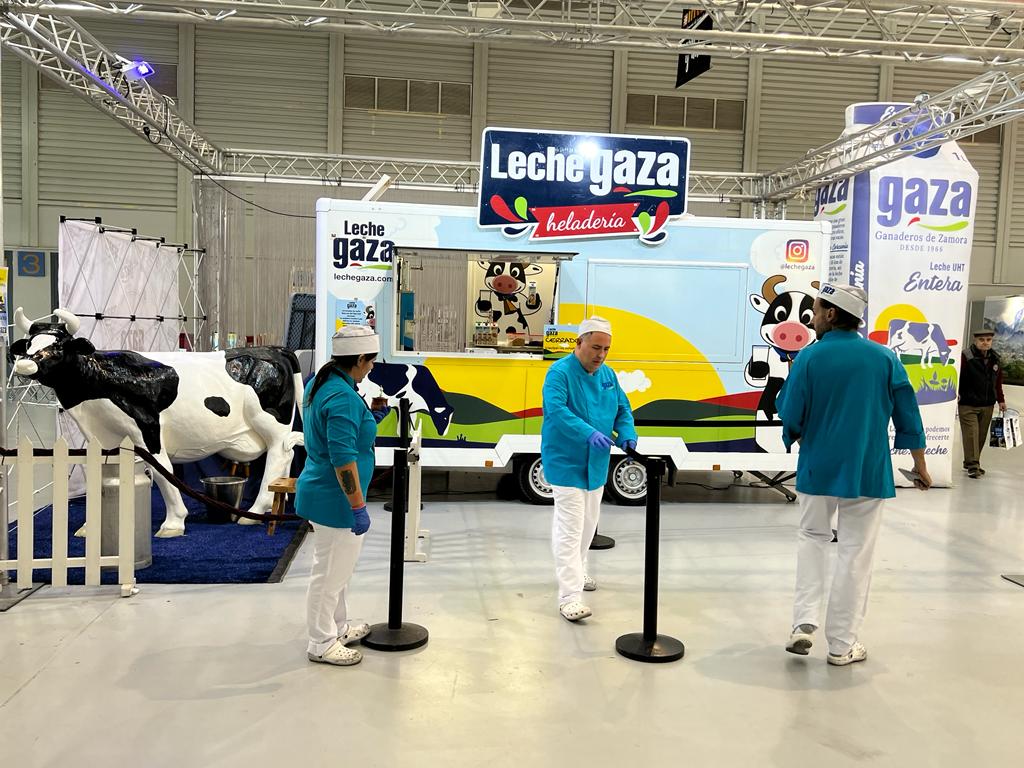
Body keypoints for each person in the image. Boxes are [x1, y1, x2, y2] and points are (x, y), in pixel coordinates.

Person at [776, 283, 931, 666]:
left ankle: (803, 622)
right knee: (855, 553)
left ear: (831, 314)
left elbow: (790, 411)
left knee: (812, 539)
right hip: (867, 469)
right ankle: (842, 645)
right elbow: (908, 415)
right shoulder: (885, 358)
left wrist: (797, 436)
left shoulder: (809, 358)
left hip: (818, 468)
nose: (812, 318)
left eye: (815, 310)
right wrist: (920, 465)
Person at [296, 326, 387, 667]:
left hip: (324, 493)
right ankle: (321, 642)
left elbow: (337, 433)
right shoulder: (342, 397)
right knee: (329, 576)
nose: (371, 368)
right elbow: (342, 459)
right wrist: (357, 506)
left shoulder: (322, 382)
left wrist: (369, 419)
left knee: (337, 572)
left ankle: (337, 627)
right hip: (336, 501)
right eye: (370, 361)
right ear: (359, 359)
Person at [541, 316, 637, 622]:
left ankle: (579, 571)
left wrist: (627, 432)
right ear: (579, 342)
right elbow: (557, 411)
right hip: (565, 461)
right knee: (570, 528)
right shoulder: (559, 373)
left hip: (596, 462)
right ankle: (569, 597)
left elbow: (622, 408)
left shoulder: (607, 375)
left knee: (588, 525)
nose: (601, 355)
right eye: (596, 347)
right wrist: (588, 433)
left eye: (606, 349)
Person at [957, 329, 1006, 479]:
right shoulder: (965, 357)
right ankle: (973, 466)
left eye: (988, 340)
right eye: (982, 340)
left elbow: (997, 381)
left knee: (980, 436)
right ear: (975, 341)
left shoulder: (995, 358)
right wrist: (956, 393)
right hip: (968, 403)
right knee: (971, 434)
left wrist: (1001, 400)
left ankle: (970, 462)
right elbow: (957, 376)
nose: (985, 343)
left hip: (987, 404)